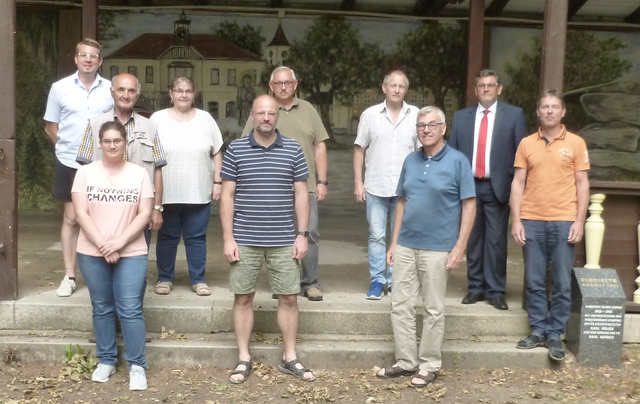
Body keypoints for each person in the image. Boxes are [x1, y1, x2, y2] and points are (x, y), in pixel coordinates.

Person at [377, 106, 475, 387]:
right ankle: (406, 362)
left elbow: (469, 205)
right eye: (421, 125)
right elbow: (402, 201)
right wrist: (394, 242)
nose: (426, 130)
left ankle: (429, 364)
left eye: (432, 125)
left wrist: (460, 247)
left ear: (444, 128)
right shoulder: (411, 160)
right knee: (400, 304)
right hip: (407, 244)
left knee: (432, 308)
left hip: (438, 247)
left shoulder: (458, 161)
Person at [222, 95, 315, 384]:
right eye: (260, 113)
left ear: (277, 117)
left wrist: (302, 235)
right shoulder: (236, 149)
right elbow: (227, 195)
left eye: (270, 113)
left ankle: (289, 357)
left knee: (289, 297)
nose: (265, 118)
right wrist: (227, 238)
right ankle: (243, 358)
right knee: (243, 297)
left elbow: (302, 193)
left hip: (284, 238)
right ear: (251, 115)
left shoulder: (293, 149)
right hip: (244, 238)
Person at [72, 120, 153, 390]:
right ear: (99, 143)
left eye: (117, 140)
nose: (112, 145)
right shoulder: (85, 173)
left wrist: (118, 242)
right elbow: (80, 213)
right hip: (91, 251)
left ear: (125, 143)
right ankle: (106, 360)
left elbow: (144, 213)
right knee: (103, 308)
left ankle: (137, 365)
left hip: (131, 251)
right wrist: (103, 244)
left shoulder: (140, 174)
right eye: (106, 141)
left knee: (130, 309)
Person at [510, 89, 590, 361]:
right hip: (532, 220)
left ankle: (555, 333)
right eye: (544, 106)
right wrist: (517, 220)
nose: (549, 111)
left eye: (554, 107)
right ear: (538, 111)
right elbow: (518, 183)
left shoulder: (577, 144)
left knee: (561, 282)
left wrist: (580, 220)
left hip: (564, 220)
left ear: (563, 111)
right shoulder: (526, 144)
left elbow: (582, 184)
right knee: (533, 280)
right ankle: (538, 330)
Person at [242, 66, 328, 301]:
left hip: (305, 185)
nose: (283, 87)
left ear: (295, 84)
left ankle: (311, 283)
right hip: (272, 188)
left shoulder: (308, 109)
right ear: (271, 86)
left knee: (308, 233)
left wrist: (322, 181)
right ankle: (283, 285)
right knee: (277, 236)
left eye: (287, 83)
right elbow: (245, 146)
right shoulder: (264, 110)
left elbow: (319, 145)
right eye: (278, 83)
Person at [449, 69, 527, 311]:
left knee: (495, 242)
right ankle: (475, 289)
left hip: (497, 187)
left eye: (490, 85)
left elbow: (521, 154)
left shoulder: (514, 115)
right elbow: (452, 153)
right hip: (469, 188)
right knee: (472, 241)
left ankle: (495, 291)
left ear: (499, 88)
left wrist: (513, 185)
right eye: (481, 85)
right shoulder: (461, 117)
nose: (486, 89)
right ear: (475, 89)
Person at [44, 38, 114, 297]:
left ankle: (103, 273)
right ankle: (69, 275)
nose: (88, 59)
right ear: (76, 58)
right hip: (69, 162)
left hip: (102, 164)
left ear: (100, 61)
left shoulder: (109, 89)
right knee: (72, 218)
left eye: (93, 56)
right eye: (83, 55)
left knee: (102, 217)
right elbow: (51, 126)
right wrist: (64, 148)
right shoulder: (59, 88)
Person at [150, 76, 224, 296]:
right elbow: (149, 154)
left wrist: (217, 181)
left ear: (194, 94)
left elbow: (217, 151)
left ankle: (198, 280)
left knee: (196, 237)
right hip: (167, 190)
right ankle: (164, 278)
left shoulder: (206, 119)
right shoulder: (157, 119)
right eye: (179, 90)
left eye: (188, 90)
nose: (183, 94)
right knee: (167, 236)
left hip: (199, 190)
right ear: (170, 93)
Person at [76, 73, 167, 247]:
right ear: (112, 92)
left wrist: (156, 209)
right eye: (121, 90)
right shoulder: (94, 125)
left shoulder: (151, 128)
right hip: (101, 210)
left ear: (137, 95)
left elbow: (158, 170)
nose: (126, 95)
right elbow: (84, 169)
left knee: (135, 263)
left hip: (139, 211)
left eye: (131, 91)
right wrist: (83, 210)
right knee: (100, 257)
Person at [353, 70, 420, 300]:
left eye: (401, 86)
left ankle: (394, 282)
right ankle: (377, 280)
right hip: (376, 185)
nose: (397, 90)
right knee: (377, 236)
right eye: (393, 85)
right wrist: (358, 183)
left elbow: (421, 152)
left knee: (399, 237)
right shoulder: (369, 115)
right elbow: (359, 149)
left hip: (405, 189)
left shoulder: (416, 115)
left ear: (406, 90)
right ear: (384, 88)